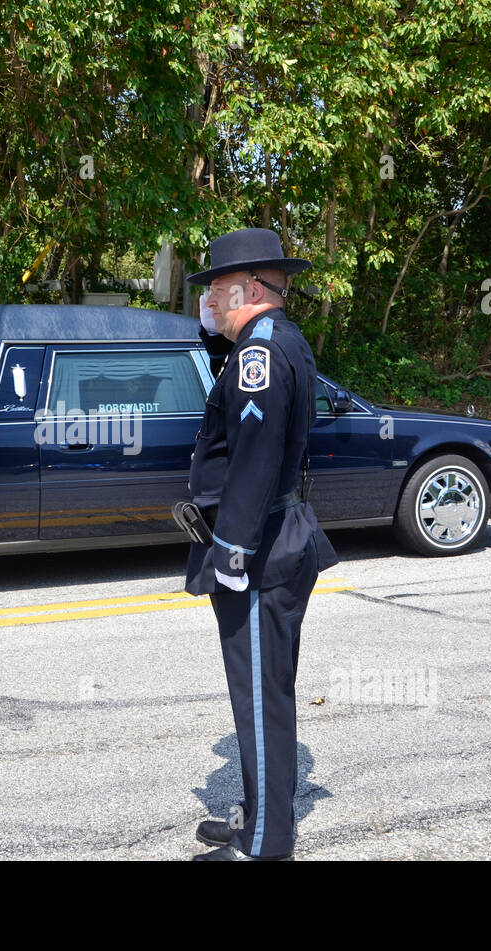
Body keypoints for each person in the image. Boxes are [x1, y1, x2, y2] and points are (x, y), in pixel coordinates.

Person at [182, 227, 340, 861]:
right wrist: (217, 330)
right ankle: (260, 818)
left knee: (257, 698)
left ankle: (266, 845)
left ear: (245, 289)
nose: (210, 304)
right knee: (261, 692)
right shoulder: (268, 342)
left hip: (260, 545)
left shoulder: (260, 354)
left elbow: (253, 460)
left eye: (216, 293)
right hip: (273, 536)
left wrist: (232, 552)